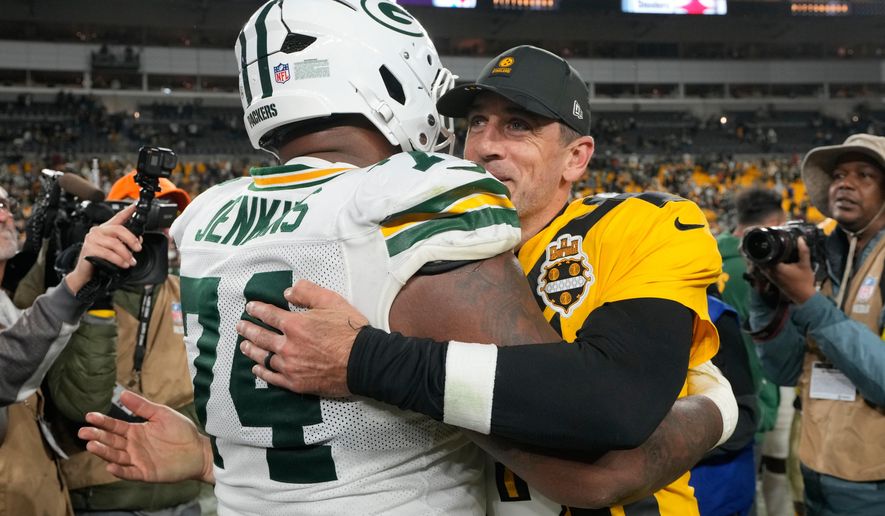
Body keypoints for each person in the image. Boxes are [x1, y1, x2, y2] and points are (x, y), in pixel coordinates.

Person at [80, 6, 732, 515]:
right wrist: (720, 408)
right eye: (476, 123)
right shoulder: (413, 211)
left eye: (517, 126)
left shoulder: (212, 215)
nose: (484, 145)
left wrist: (365, 368)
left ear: (577, 156)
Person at [21, 173, 202, 515]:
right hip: (103, 498)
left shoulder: (188, 293)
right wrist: (98, 297)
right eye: (143, 219)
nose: (156, 233)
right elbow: (81, 405)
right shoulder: (75, 297)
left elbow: (214, 398)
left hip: (183, 494)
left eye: (166, 219)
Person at [749, 133, 885, 514]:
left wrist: (809, 300)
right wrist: (766, 297)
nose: (846, 182)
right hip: (815, 468)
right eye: (840, 174)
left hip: (874, 484)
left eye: (864, 175)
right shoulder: (824, 259)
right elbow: (785, 370)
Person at [1, 190, 141, 516]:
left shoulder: (7, 299)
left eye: (5, 205)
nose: (3, 215)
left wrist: (49, 247)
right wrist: (76, 283)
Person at [718, 186, 793, 515]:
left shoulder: (703, 253)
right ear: (776, 221)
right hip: (750, 400)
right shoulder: (765, 268)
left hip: (699, 399)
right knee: (747, 495)